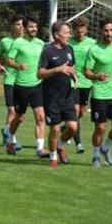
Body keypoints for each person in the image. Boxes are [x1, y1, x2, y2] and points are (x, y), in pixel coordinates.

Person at [84, 19, 112, 168]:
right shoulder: (94, 49)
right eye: (105, 30)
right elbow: (87, 71)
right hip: (99, 94)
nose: (108, 33)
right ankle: (96, 155)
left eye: (111, 30)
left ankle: (106, 148)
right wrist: (97, 76)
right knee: (101, 128)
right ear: (100, 31)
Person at [5, 17, 49, 158]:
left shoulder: (41, 43)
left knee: (41, 117)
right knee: (19, 118)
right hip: (21, 86)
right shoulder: (18, 43)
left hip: (37, 85)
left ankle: (40, 149)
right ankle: (10, 139)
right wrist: (18, 66)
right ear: (24, 28)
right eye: (31, 27)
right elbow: (8, 60)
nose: (34, 29)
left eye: (36, 26)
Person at [37, 22, 78, 168]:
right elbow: (40, 74)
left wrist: (74, 76)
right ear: (56, 35)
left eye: (69, 32)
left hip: (67, 96)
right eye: (66, 32)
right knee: (54, 128)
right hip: (51, 98)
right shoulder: (48, 51)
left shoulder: (70, 49)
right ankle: (53, 156)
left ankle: (60, 146)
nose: (69, 35)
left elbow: (71, 68)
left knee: (73, 127)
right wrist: (57, 69)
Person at [0, 14, 24, 149]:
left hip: (24, 82)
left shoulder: (29, 42)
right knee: (11, 110)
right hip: (10, 79)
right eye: (18, 24)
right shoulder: (5, 41)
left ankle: (6, 131)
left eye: (22, 24)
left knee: (19, 114)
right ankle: (12, 140)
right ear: (13, 26)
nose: (21, 27)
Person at [68, 17, 97, 154]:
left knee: (81, 112)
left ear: (86, 30)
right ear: (74, 31)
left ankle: (67, 128)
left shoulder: (92, 43)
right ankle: (78, 143)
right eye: (78, 32)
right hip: (72, 82)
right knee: (74, 111)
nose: (80, 34)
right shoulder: (68, 43)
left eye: (83, 31)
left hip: (87, 82)